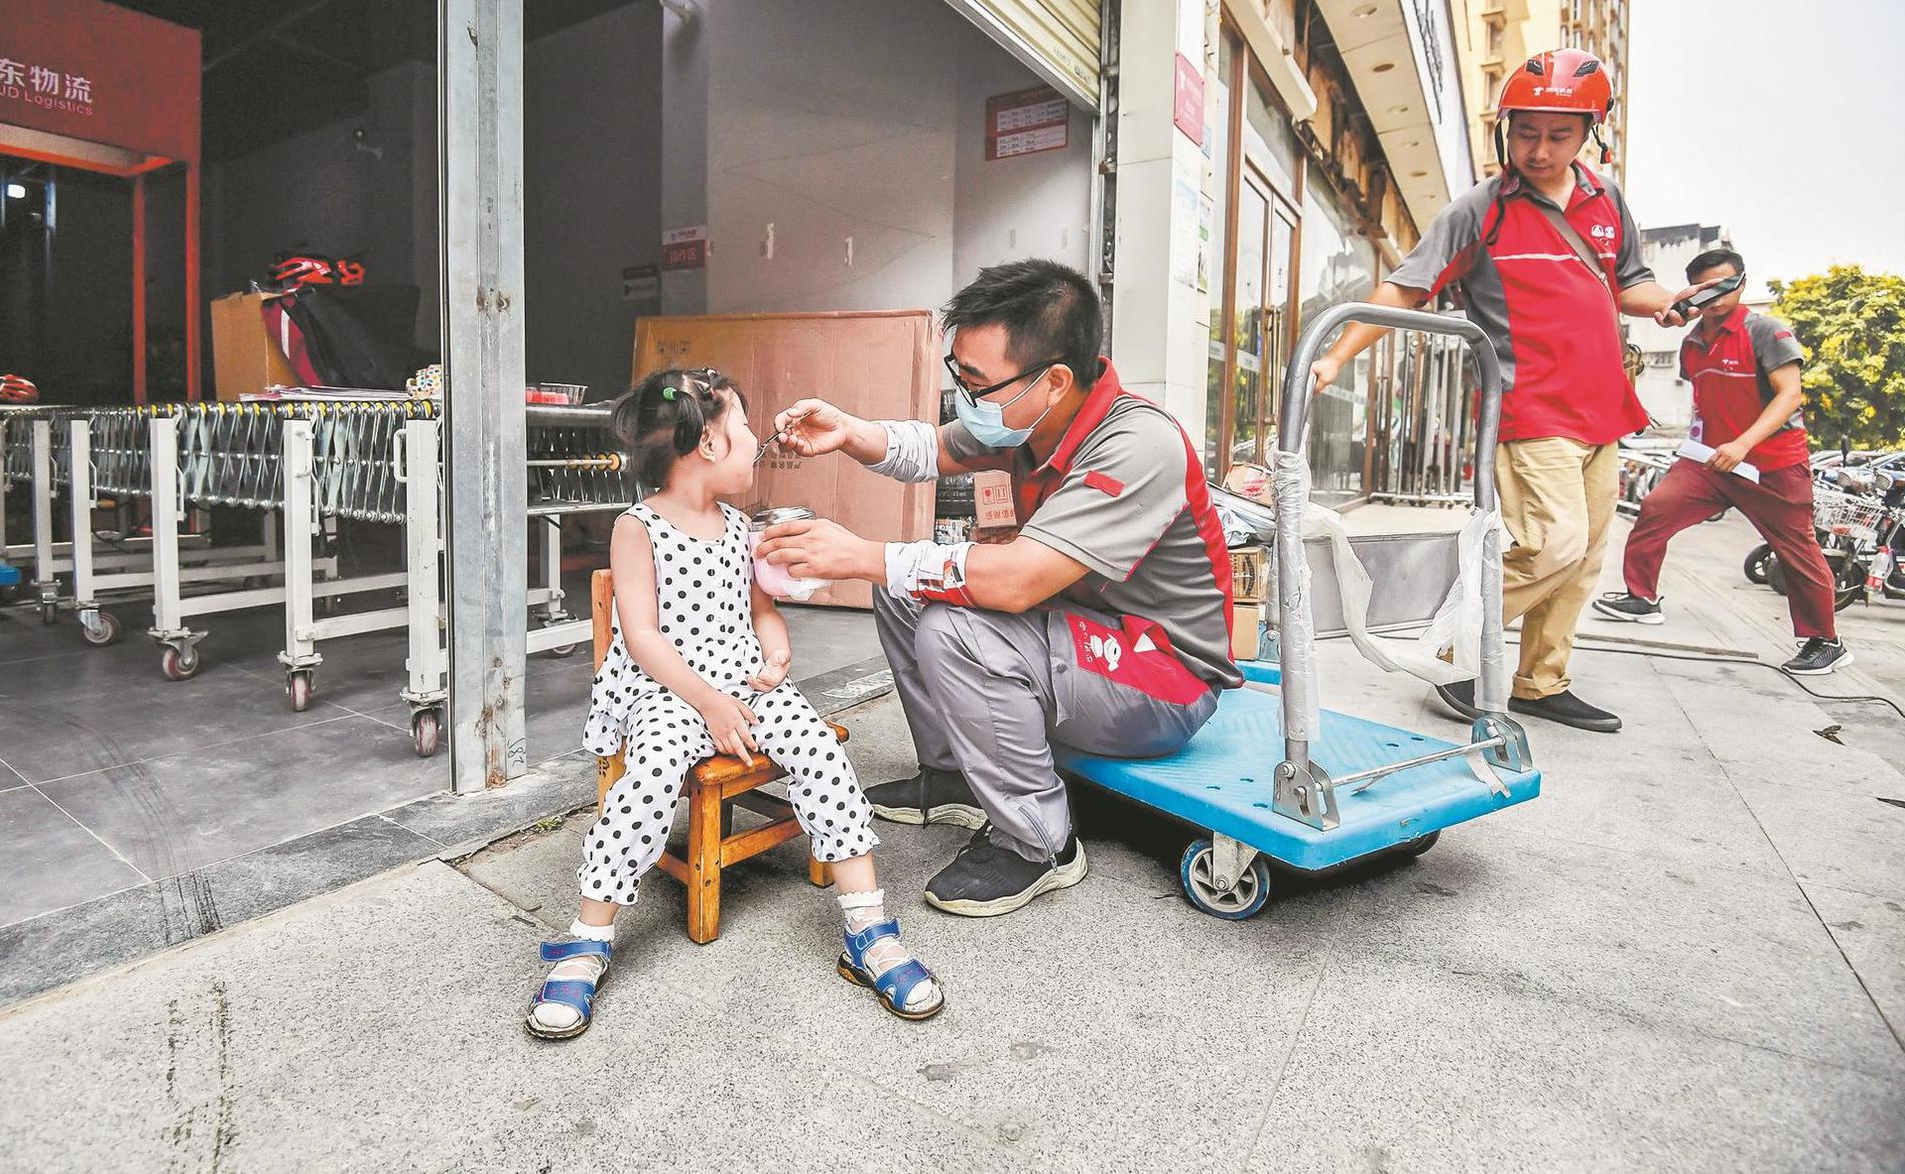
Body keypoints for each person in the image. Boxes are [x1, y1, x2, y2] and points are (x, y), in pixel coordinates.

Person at [757, 260, 1241, 918]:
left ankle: (1040, 841)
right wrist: (848, 431)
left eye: (976, 381)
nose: (964, 393)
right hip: (1085, 629)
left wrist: (862, 554)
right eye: (958, 373)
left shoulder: (1136, 444)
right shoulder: (1029, 419)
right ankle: (956, 776)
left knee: (951, 624)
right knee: (905, 589)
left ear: (1055, 380)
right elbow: (931, 447)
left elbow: (1016, 584)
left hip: (1164, 674)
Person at [524, 368, 941, 1041]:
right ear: (710, 445)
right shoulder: (638, 528)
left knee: (823, 752)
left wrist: (776, 655)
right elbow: (644, 637)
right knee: (652, 770)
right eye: (745, 426)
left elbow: (762, 609)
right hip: (670, 689)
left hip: (743, 682)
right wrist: (709, 702)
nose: (757, 439)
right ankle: (585, 938)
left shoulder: (741, 526)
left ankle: (869, 927)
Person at [1307, 47, 1694, 734]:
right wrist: (1337, 355)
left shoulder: (1607, 203)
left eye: (1558, 134)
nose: (1538, 149)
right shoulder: (1479, 212)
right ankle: (1453, 650)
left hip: (1603, 408)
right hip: (1528, 407)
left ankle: (1542, 681)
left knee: (1584, 563)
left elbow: (1629, 282)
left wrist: (1666, 303)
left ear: (1588, 134)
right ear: (1504, 128)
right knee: (1554, 543)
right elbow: (1407, 282)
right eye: (1524, 131)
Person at [1593, 250, 1851, 675]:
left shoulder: (1765, 330)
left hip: (1771, 463)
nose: (1715, 297)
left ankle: (1824, 640)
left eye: (1724, 285)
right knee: (1656, 508)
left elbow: (1789, 396)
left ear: (1742, 283)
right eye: (1705, 288)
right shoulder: (1693, 340)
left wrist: (1744, 444)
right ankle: (1641, 597)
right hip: (1710, 461)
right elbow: (1703, 401)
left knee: (1795, 550)